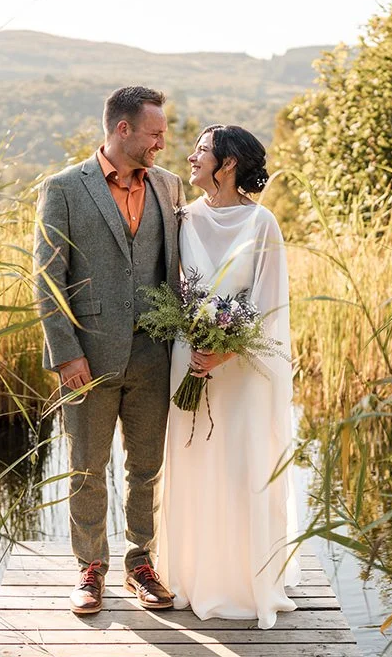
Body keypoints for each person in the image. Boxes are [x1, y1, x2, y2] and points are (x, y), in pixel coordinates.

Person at [32, 86, 186, 615]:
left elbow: (178, 269)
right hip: (88, 358)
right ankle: (90, 568)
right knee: (86, 466)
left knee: (146, 468)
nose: (163, 142)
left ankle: (140, 563)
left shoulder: (169, 187)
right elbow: (46, 277)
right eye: (155, 133)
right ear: (123, 130)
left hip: (154, 357)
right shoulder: (64, 188)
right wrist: (66, 353)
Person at [157, 124, 300, 629]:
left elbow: (268, 307)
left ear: (229, 162)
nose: (191, 158)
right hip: (187, 362)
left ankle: (241, 582)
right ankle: (193, 578)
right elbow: (170, 293)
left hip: (242, 373)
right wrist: (197, 349)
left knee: (240, 468)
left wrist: (226, 352)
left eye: (200, 151)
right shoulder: (180, 219)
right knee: (194, 466)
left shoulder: (263, 225)